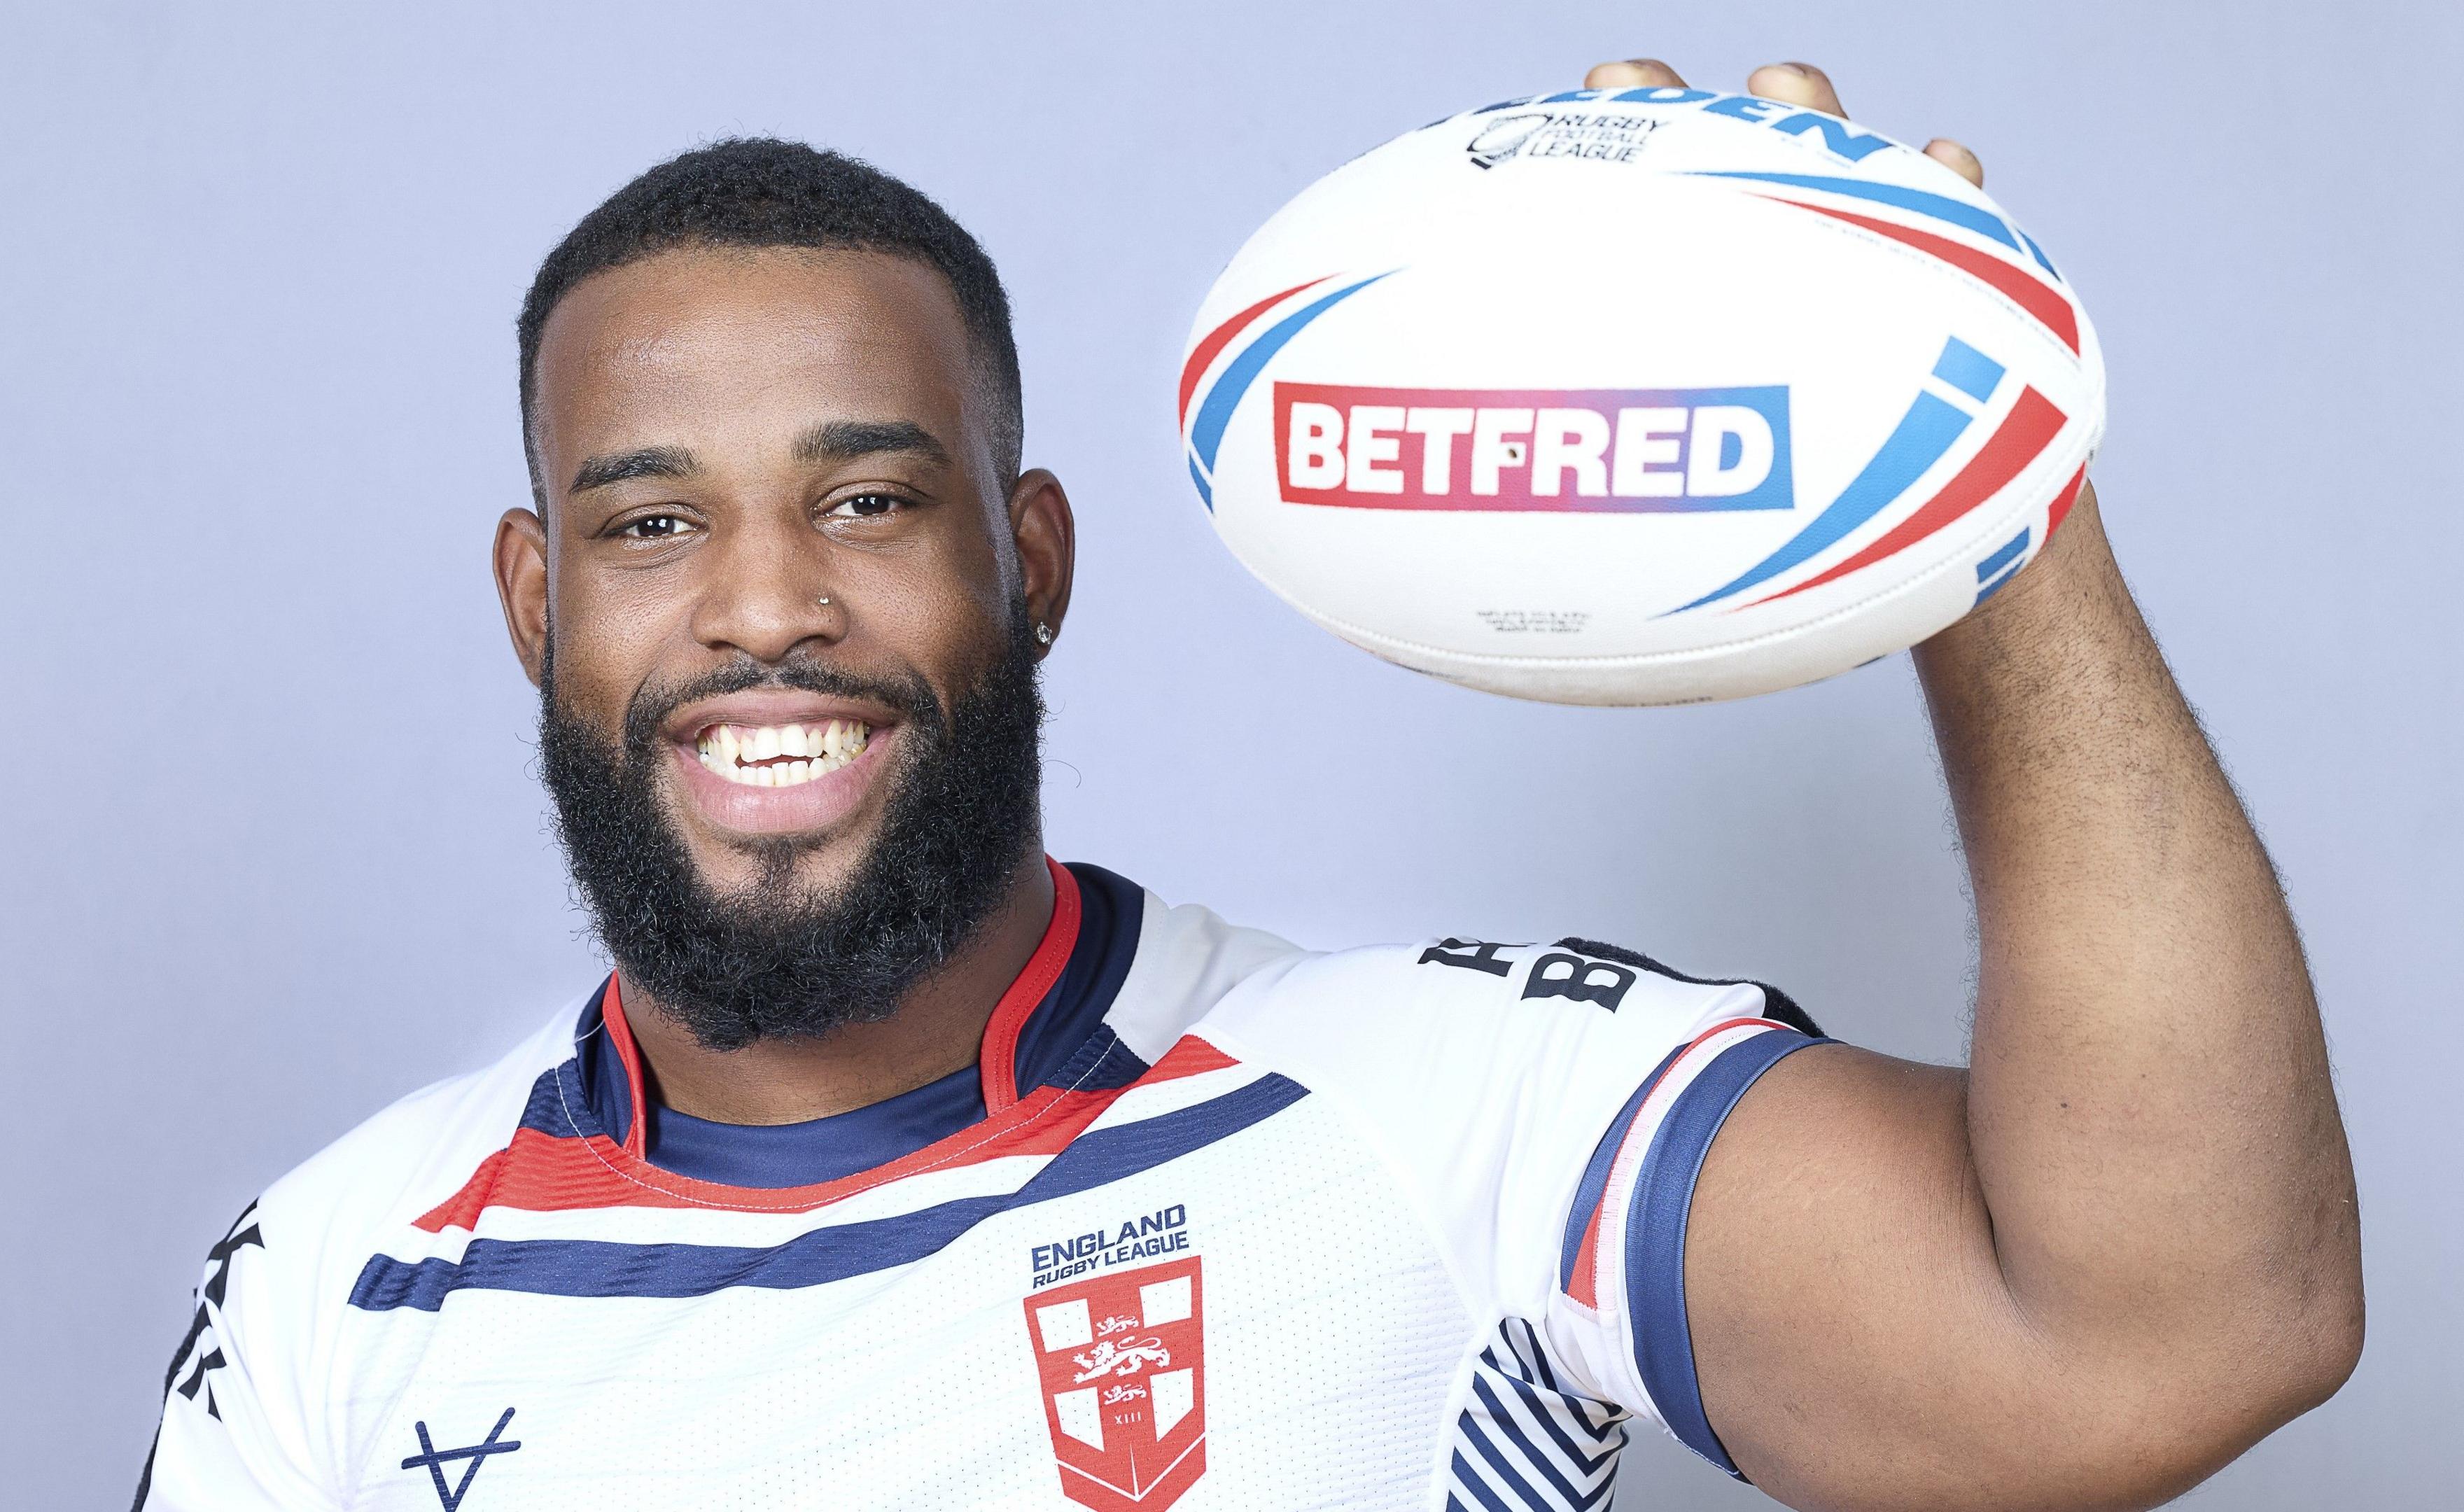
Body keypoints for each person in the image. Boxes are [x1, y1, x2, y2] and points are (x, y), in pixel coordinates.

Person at [132, 58, 2360, 1512]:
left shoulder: (1451, 1106)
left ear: (1032, 563)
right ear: (537, 603)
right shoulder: (341, 1283)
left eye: (872, 502)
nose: (764, 608)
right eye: (650, 527)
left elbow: (2173, 1330)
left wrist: (1982, 484)